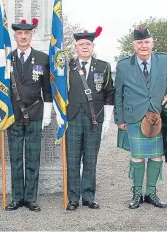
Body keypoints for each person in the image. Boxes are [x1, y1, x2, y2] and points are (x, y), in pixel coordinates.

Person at [115, 27, 167, 209]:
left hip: (159, 117)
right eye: (139, 43)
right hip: (134, 116)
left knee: (156, 157)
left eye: (147, 42)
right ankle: (137, 194)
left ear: (153, 43)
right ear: (134, 45)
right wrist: (119, 119)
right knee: (137, 157)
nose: (143, 46)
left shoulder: (165, 60)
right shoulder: (123, 65)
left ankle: (151, 193)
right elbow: (118, 94)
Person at [5, 18, 52, 212]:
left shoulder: (42, 58)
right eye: (19, 34)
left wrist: (47, 113)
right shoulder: (7, 59)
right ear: (15, 36)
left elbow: (47, 89)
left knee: (33, 157)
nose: (23, 37)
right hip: (13, 115)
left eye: (27, 34)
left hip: (35, 113)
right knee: (15, 158)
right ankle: (17, 198)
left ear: (31, 36)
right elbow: (1, 89)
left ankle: (31, 198)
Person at [64, 27, 114, 210]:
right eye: (81, 44)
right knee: (73, 159)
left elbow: (109, 93)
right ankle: (73, 198)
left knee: (91, 159)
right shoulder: (67, 66)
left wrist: (107, 119)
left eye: (88, 44)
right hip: (73, 118)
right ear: (75, 47)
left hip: (95, 119)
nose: (84, 47)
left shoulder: (103, 66)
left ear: (93, 46)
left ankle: (88, 196)